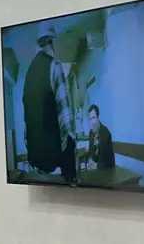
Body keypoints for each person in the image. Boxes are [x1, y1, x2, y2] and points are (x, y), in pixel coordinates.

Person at [21, 24, 76, 182]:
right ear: (51, 42)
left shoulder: (28, 75)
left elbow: (26, 123)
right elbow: (66, 117)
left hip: (35, 161)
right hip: (55, 160)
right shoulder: (54, 65)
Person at [84, 104, 115, 173]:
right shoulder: (91, 133)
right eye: (90, 119)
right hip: (96, 171)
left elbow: (109, 162)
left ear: (98, 117)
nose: (92, 122)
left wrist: (96, 165)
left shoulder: (105, 133)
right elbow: (91, 153)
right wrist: (90, 160)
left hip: (107, 172)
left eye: (93, 118)